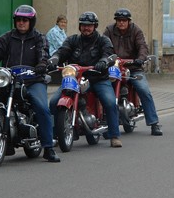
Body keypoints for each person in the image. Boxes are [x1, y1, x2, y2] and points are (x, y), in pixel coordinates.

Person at [0, 5, 60, 162]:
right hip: (9, 81)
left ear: (31, 21)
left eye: (25, 20)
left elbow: (43, 53)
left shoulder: (39, 38)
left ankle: (48, 147)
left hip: (33, 81)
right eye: (18, 20)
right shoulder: (7, 37)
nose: (21, 23)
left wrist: (42, 64)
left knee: (42, 108)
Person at [49, 12, 123, 147]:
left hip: (97, 78)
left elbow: (109, 54)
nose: (86, 28)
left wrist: (104, 61)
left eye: (89, 25)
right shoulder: (73, 40)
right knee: (54, 102)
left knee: (110, 101)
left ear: (95, 26)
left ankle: (114, 135)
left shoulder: (102, 40)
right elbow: (63, 51)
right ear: (79, 26)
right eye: (83, 25)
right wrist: (55, 59)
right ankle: (54, 135)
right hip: (75, 78)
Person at [103, 8, 163, 136]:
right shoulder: (109, 31)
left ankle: (154, 123)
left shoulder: (136, 30)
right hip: (114, 68)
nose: (121, 23)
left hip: (133, 68)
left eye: (124, 20)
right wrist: (105, 59)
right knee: (105, 91)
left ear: (129, 21)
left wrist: (140, 59)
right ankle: (107, 124)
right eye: (119, 20)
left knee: (144, 90)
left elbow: (142, 46)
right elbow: (104, 46)